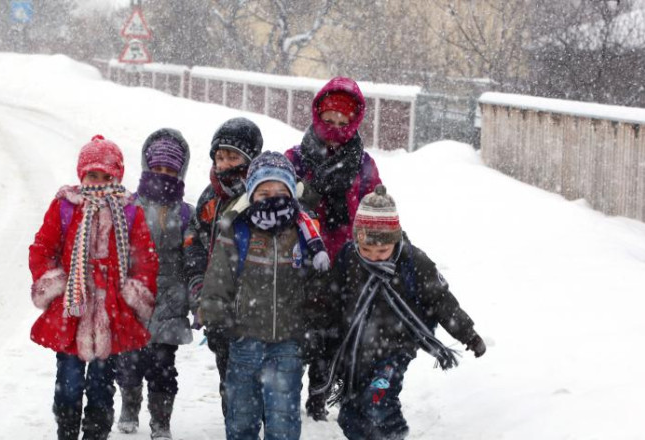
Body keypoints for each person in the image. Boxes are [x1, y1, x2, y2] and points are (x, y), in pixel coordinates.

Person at [315, 185, 487, 440]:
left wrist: (468, 334)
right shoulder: (349, 258)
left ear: (394, 241)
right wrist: (318, 331)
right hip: (357, 348)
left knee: (377, 399)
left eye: (382, 251)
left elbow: (441, 300)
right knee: (350, 414)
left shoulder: (413, 261)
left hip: (395, 348)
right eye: (367, 250)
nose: (373, 257)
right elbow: (331, 299)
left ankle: (393, 435)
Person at [28, 135, 159, 440]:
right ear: (81, 174)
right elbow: (43, 247)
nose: (99, 182)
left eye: (106, 176)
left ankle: (96, 434)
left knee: (101, 386)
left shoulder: (128, 211)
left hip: (111, 311)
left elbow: (145, 259)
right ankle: (68, 430)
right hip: (73, 308)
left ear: (117, 176)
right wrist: (55, 282)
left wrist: (133, 292)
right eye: (92, 175)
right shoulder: (66, 207)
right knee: (69, 383)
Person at [199, 151, 329, 440]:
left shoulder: (304, 235)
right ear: (252, 194)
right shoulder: (238, 230)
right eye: (264, 191)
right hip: (244, 339)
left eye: (281, 190)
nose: (273, 196)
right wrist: (218, 324)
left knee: (283, 420)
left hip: (288, 344)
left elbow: (316, 289)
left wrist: (314, 328)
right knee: (241, 417)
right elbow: (218, 281)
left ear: (293, 193)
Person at [284, 76, 382, 421]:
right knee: (296, 331)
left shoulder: (364, 165)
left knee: (332, 331)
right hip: (299, 256)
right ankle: (287, 395)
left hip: (345, 261)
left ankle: (320, 396)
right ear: (317, 116)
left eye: (343, 123)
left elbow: (376, 211)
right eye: (329, 121)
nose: (335, 129)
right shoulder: (295, 159)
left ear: (354, 122)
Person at [115, 129, 195, 440]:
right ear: (147, 168)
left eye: (170, 170)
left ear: (180, 171)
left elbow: (191, 257)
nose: (163, 175)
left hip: (171, 301)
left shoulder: (184, 213)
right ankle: (130, 405)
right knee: (130, 364)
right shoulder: (129, 206)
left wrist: (194, 296)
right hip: (135, 298)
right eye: (158, 169)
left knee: (164, 367)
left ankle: (161, 421)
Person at [184, 117, 264, 418]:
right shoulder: (210, 198)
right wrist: (198, 288)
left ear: (251, 159)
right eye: (220, 156)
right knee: (228, 374)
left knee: (261, 374)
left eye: (234, 156)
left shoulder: (264, 193)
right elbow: (194, 244)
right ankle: (236, 422)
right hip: (220, 302)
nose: (225, 163)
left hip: (260, 303)